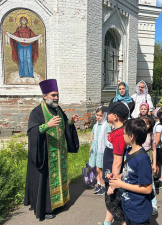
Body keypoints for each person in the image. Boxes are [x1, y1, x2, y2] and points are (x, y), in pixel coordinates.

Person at [24, 79, 79, 220]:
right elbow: (32, 131)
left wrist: (70, 122)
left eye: (57, 95)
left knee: (59, 178)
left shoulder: (58, 110)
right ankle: (47, 208)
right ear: (44, 96)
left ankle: (59, 203)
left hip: (59, 153)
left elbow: (63, 125)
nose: (56, 98)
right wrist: (46, 125)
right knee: (47, 180)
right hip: (45, 154)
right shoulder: (36, 112)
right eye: (53, 95)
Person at [109, 118, 153, 225]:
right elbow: (129, 173)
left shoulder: (142, 159)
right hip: (129, 206)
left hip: (139, 211)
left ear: (131, 136)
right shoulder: (128, 151)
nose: (123, 136)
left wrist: (121, 184)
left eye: (124, 133)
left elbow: (148, 189)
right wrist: (117, 177)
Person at [102, 102, 129, 225]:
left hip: (113, 175)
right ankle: (107, 222)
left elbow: (117, 162)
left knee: (116, 206)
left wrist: (113, 184)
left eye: (109, 113)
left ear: (115, 116)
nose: (106, 114)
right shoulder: (117, 129)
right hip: (111, 174)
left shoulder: (119, 134)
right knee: (111, 202)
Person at [89, 106, 112, 195]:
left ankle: (103, 185)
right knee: (95, 168)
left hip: (102, 149)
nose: (98, 117)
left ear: (104, 116)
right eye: (97, 115)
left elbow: (108, 138)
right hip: (95, 148)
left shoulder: (106, 125)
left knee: (100, 168)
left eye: (100, 116)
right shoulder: (95, 126)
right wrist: (90, 148)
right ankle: (98, 184)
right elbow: (93, 138)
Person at [141, 116, 158, 215]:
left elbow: (154, 150)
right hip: (138, 156)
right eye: (142, 123)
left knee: (149, 180)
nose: (144, 125)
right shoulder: (136, 133)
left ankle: (153, 203)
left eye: (147, 124)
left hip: (148, 156)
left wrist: (154, 163)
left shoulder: (151, 135)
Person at [153, 108, 162, 189]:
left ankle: (161, 180)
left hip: (160, 147)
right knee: (158, 163)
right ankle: (156, 177)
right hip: (159, 147)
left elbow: (158, 139)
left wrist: (153, 146)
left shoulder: (158, 126)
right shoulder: (159, 124)